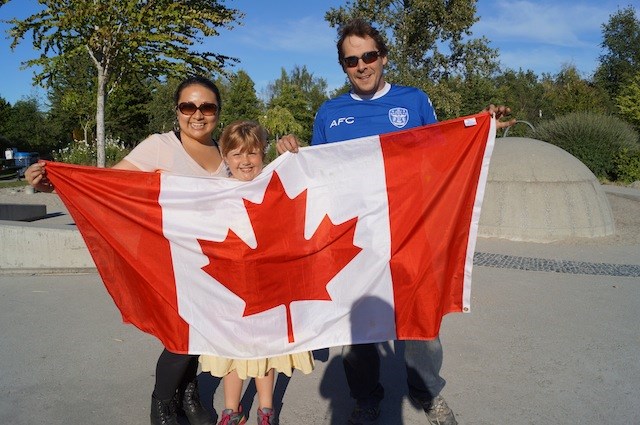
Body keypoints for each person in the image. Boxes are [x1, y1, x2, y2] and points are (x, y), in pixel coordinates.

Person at [276, 18, 515, 425]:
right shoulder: (330, 113)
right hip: (354, 239)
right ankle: (366, 398)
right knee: (357, 331)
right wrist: (290, 152)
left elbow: (442, 156)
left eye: (369, 56)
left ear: (383, 58)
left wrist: (481, 128)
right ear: (343, 66)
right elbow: (319, 178)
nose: (362, 65)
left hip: (411, 232)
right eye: (352, 60)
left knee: (422, 324)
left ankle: (427, 393)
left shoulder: (415, 101)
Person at [26, 75, 227, 425]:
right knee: (181, 336)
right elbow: (108, 187)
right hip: (170, 261)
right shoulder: (160, 145)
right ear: (177, 111)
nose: (197, 114)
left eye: (206, 106)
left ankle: (188, 393)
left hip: (213, 263)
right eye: (187, 106)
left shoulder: (226, 150)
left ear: (218, 111)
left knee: (203, 331)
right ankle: (163, 403)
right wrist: (52, 183)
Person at [199, 120, 315, 425]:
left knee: (265, 351)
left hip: (268, 283)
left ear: (262, 154)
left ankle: (266, 409)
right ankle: (231, 409)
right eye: (236, 154)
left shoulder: (272, 185)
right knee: (233, 352)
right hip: (231, 287)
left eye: (252, 153)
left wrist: (289, 152)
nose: (245, 161)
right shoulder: (214, 190)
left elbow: (307, 183)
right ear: (224, 157)